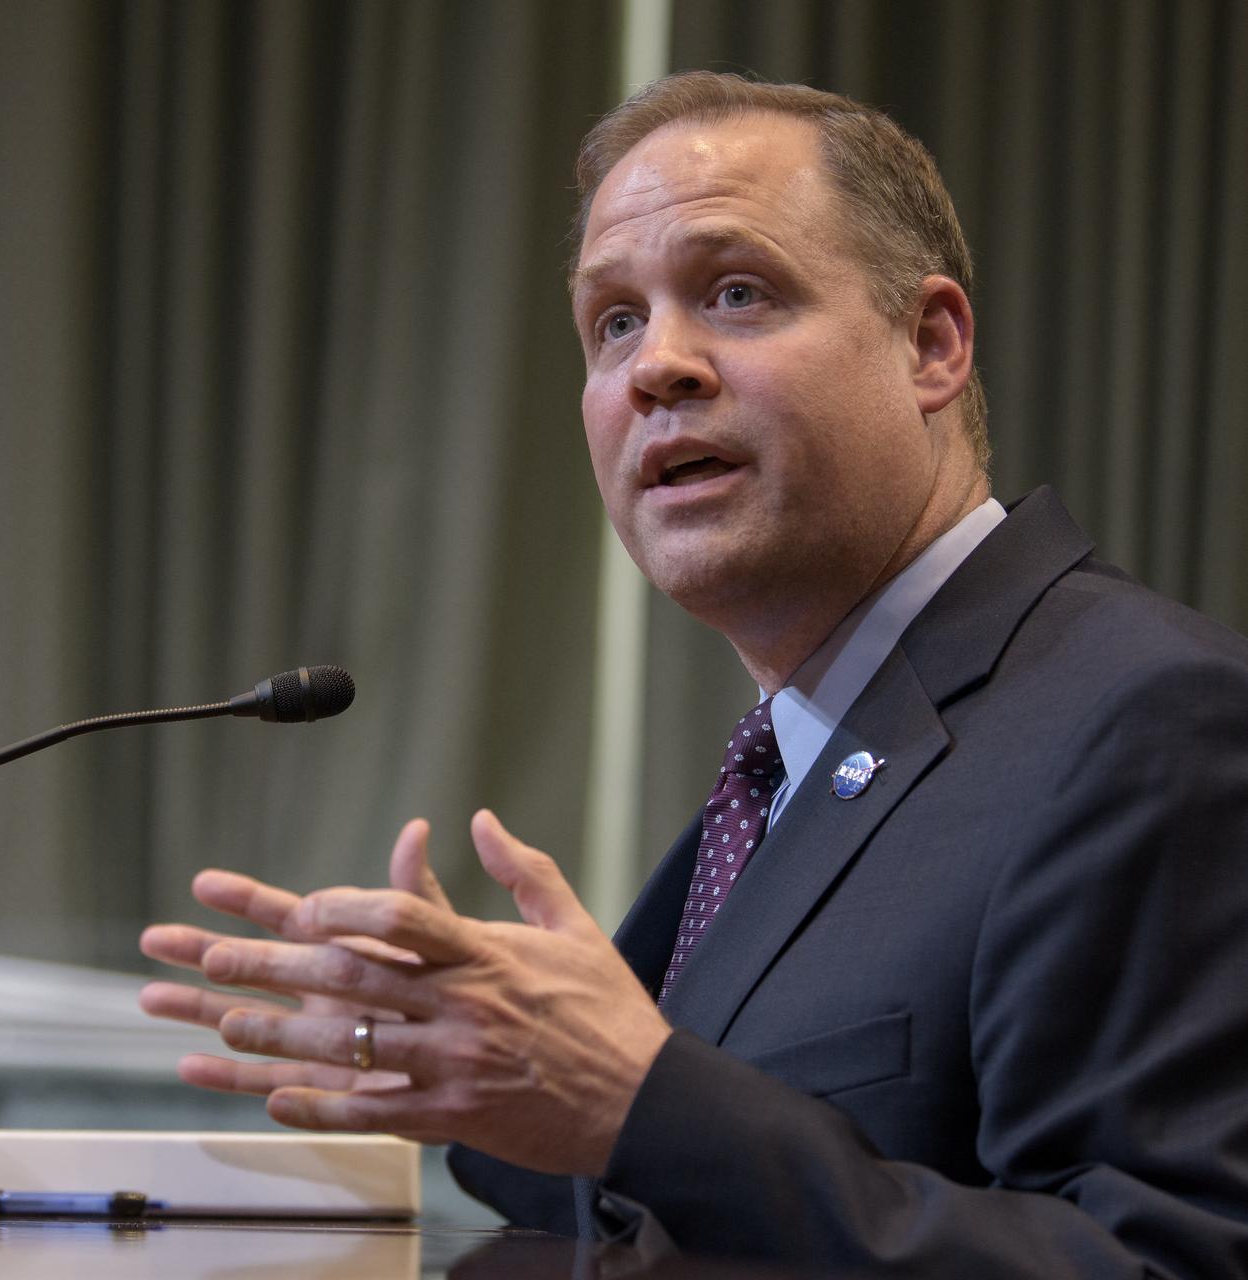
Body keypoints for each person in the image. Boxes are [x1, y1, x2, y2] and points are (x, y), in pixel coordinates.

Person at [139, 73, 1248, 1276]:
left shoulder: (1147, 719)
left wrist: (640, 1103)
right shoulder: (796, 761)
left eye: (735, 293)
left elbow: (1168, 1260)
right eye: (612, 320)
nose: (656, 365)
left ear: (929, 343)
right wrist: (492, 1083)